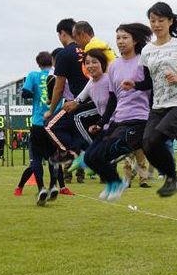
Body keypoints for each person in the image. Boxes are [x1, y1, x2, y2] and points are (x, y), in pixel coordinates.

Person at [124, 2, 177, 199]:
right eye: (153, 21)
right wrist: (135, 85)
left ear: (170, 21)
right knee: (147, 143)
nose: (156, 24)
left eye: (161, 20)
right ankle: (173, 179)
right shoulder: (146, 51)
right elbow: (148, 81)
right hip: (158, 105)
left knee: (156, 139)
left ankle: (172, 177)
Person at [83, 23, 152, 201]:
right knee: (90, 157)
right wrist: (101, 122)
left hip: (139, 119)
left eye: (124, 38)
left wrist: (136, 85)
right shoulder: (114, 66)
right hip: (117, 119)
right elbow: (113, 99)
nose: (120, 42)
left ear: (135, 40)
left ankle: (117, 183)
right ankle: (114, 183)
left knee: (104, 154)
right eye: (118, 38)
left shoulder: (144, 61)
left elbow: (151, 86)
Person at [16, 51, 68, 205]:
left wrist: (36, 94)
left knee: (37, 158)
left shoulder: (33, 75)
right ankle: (53, 186)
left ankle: (41, 188)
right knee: (54, 157)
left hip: (38, 122)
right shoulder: (59, 77)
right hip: (54, 124)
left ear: (38, 63)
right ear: (52, 63)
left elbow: (25, 93)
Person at [44, 18, 90, 163]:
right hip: (96, 99)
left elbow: (59, 87)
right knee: (78, 128)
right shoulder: (88, 50)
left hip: (78, 101)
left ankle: (72, 152)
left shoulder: (64, 54)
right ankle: (80, 150)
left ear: (63, 33)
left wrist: (51, 110)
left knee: (50, 126)